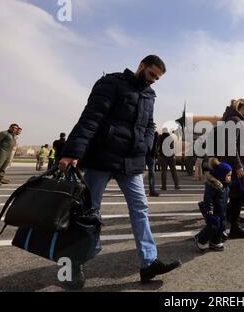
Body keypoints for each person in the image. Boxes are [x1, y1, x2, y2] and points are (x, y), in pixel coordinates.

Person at [59, 55, 181, 289]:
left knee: (140, 209)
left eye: (157, 78)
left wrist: (145, 145)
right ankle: (75, 263)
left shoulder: (149, 95)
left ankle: (148, 263)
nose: (153, 80)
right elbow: (91, 117)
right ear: (141, 66)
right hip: (101, 159)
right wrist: (72, 151)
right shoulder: (112, 83)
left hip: (131, 162)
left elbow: (149, 125)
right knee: (88, 213)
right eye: (151, 74)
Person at [220, 99, 244, 239]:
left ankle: (233, 226)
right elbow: (231, 145)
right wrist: (238, 165)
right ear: (243, 107)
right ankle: (230, 222)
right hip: (235, 165)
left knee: (236, 196)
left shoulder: (234, 120)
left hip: (236, 163)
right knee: (243, 193)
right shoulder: (234, 120)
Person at [194, 159, 232, 252]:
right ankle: (200, 239)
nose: (230, 177)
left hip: (221, 210)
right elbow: (208, 199)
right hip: (213, 211)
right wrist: (209, 209)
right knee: (213, 226)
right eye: (228, 175)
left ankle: (215, 241)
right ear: (221, 175)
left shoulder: (225, 185)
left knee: (222, 226)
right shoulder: (213, 185)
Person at [146, 131, 160, 197]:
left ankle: (152, 190)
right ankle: (152, 190)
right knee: (151, 174)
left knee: (151, 174)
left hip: (146, 155)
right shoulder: (155, 134)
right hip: (150, 156)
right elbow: (156, 146)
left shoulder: (142, 131)